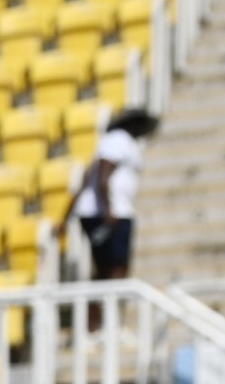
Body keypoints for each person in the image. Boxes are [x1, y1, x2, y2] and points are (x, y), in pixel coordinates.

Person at [59, 104, 154, 282]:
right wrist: (109, 209)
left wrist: (66, 217)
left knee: (107, 268)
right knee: (116, 267)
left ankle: (106, 300)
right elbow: (103, 176)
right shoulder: (119, 139)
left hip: (104, 211)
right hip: (110, 213)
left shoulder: (116, 141)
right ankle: (110, 300)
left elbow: (87, 178)